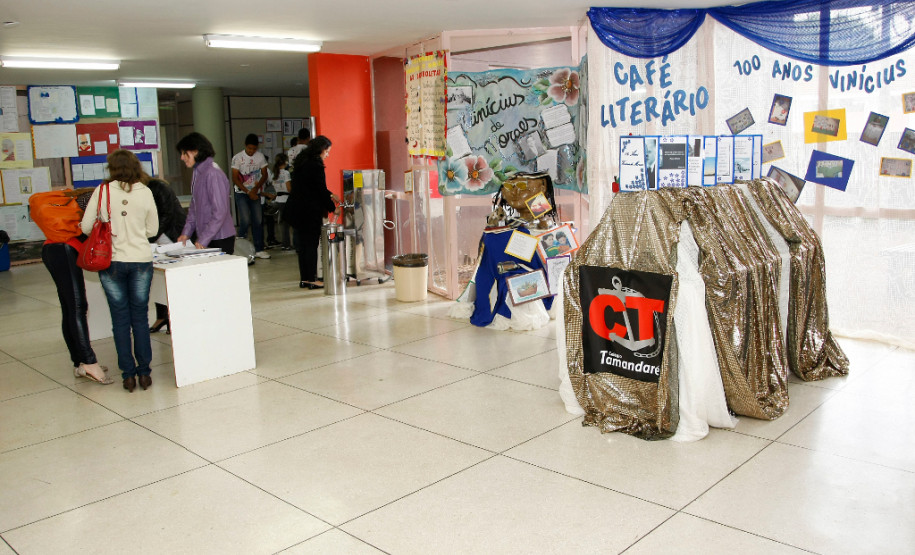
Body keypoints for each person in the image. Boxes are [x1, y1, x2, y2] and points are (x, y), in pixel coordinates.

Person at [80, 150, 158, 392]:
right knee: (141, 318)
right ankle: (145, 373)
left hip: (111, 261)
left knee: (120, 320)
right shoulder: (145, 192)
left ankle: (128, 375)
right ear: (136, 166)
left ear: (111, 168)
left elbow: (85, 227)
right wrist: (135, 234)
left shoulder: (102, 192)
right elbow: (153, 229)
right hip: (140, 261)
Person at [36, 189, 114, 385]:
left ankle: (79, 362)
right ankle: (89, 362)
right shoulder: (98, 197)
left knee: (70, 308)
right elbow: (89, 228)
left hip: (54, 249)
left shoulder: (87, 194)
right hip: (65, 249)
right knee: (78, 307)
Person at [285, 135, 339, 289]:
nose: (327, 155)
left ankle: (304, 279)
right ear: (321, 150)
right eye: (327, 152)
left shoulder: (302, 161)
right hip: (309, 211)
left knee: (302, 246)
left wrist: (330, 194)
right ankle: (312, 280)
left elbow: (310, 186)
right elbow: (319, 190)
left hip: (296, 209)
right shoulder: (316, 165)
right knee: (311, 246)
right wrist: (333, 208)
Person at [175, 132, 236, 254]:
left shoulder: (213, 173)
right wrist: (186, 232)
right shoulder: (198, 172)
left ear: (196, 151)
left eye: (184, 153)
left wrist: (204, 238)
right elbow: (194, 206)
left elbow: (220, 211)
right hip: (207, 237)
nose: (182, 157)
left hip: (220, 237)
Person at [146, 178, 187, 334]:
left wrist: (149, 237)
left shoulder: (158, 187)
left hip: (171, 234)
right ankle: (163, 317)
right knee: (159, 277)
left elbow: (167, 215)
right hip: (157, 235)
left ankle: (174, 317)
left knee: (173, 277)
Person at [231, 134, 270, 259]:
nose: (251, 151)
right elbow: (235, 178)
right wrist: (248, 192)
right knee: (245, 220)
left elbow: (264, 175)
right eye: (249, 148)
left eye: (254, 149)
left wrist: (255, 189)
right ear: (245, 146)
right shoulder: (237, 158)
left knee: (258, 220)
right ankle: (238, 246)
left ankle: (259, 249)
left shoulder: (260, 157)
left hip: (255, 192)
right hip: (241, 193)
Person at [268, 153, 293, 250]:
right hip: (286, 200)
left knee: (283, 224)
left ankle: (285, 244)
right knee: (287, 224)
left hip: (278, 199)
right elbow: (289, 188)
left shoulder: (274, 173)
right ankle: (287, 245)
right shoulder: (286, 173)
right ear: (285, 162)